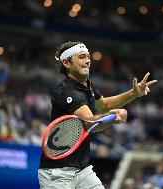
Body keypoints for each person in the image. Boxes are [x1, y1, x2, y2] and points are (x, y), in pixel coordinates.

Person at [38, 41, 157, 189]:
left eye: (88, 57)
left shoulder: (88, 85)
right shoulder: (66, 91)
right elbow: (90, 122)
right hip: (57, 173)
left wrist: (133, 93)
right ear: (67, 63)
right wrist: (113, 116)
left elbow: (105, 105)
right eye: (81, 57)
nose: (88, 61)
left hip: (83, 171)